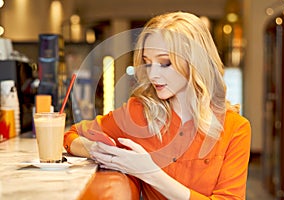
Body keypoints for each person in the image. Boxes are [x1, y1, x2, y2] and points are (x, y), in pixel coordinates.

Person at [64, 11, 251, 200]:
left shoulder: (235, 128)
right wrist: (96, 150)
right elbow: (71, 136)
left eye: (164, 63)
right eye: (148, 63)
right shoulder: (137, 113)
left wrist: (149, 172)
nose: (152, 75)